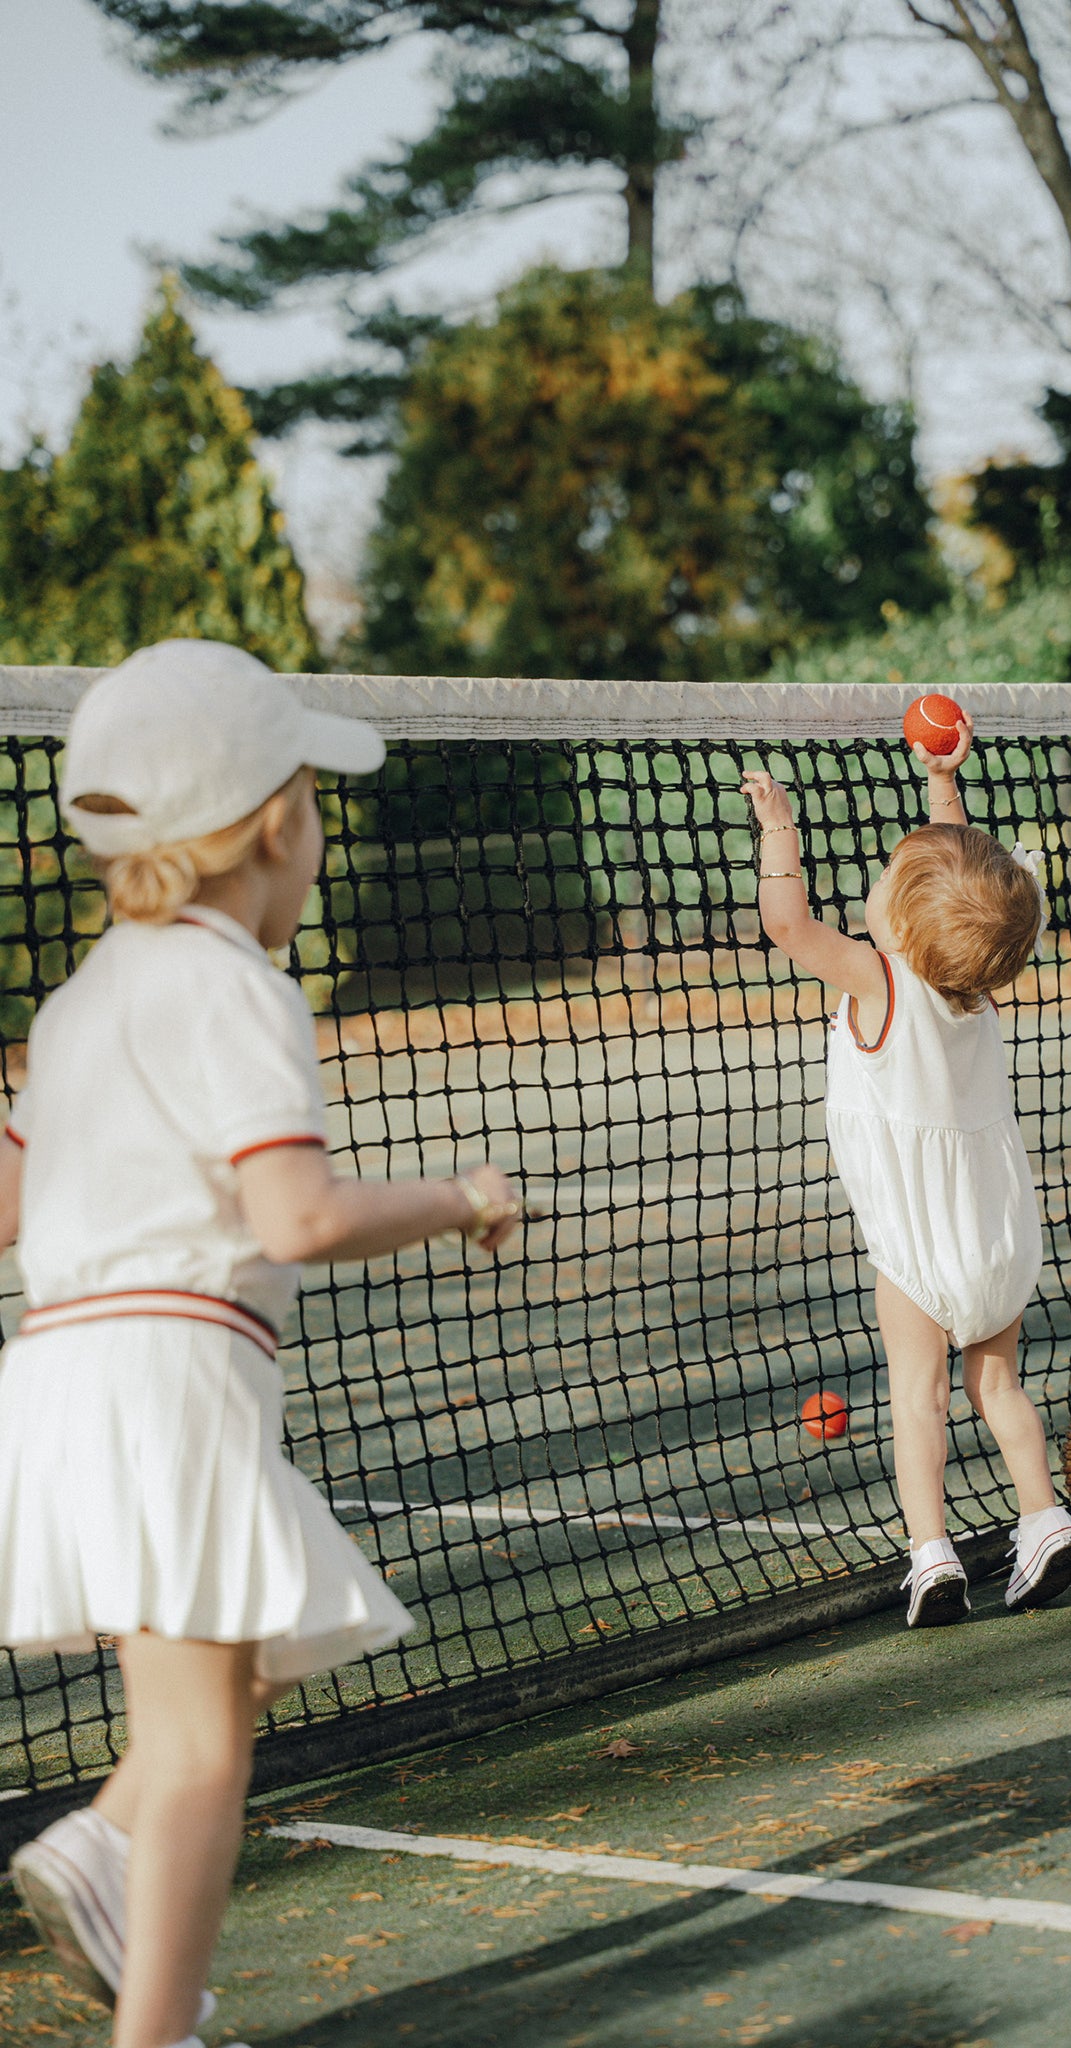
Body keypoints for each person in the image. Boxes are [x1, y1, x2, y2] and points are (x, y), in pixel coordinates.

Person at [0, 640, 524, 2048]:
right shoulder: (238, 984)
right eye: (311, 811)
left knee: (280, 1622)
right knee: (202, 1746)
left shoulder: (70, 1007)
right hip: (166, 1379)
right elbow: (294, 1215)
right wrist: (457, 1199)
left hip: (59, 1383)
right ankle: (155, 2027)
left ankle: (102, 1848)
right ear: (280, 827)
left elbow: (4, 1203)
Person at [741, 716, 1071, 1627]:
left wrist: (779, 829)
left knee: (918, 1395)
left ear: (896, 921)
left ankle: (931, 1554)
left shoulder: (878, 982)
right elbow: (976, 890)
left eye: (886, 875)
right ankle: (1042, 1516)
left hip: (916, 1244)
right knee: (997, 1387)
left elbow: (785, 923)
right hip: (997, 1233)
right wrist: (942, 787)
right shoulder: (980, 975)